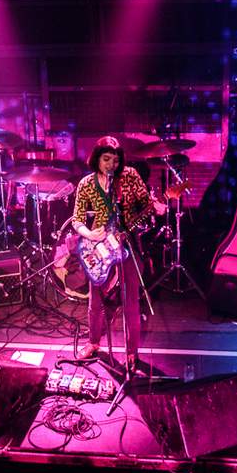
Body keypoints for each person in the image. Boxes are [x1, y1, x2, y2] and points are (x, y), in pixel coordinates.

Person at [72, 136, 167, 370]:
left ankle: (132, 352)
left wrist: (157, 206)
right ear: (96, 158)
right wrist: (90, 234)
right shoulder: (86, 184)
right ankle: (93, 342)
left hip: (127, 244)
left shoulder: (130, 176)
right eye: (106, 159)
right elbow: (77, 219)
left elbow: (145, 204)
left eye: (115, 160)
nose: (111, 165)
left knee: (131, 300)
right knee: (96, 301)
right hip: (99, 248)